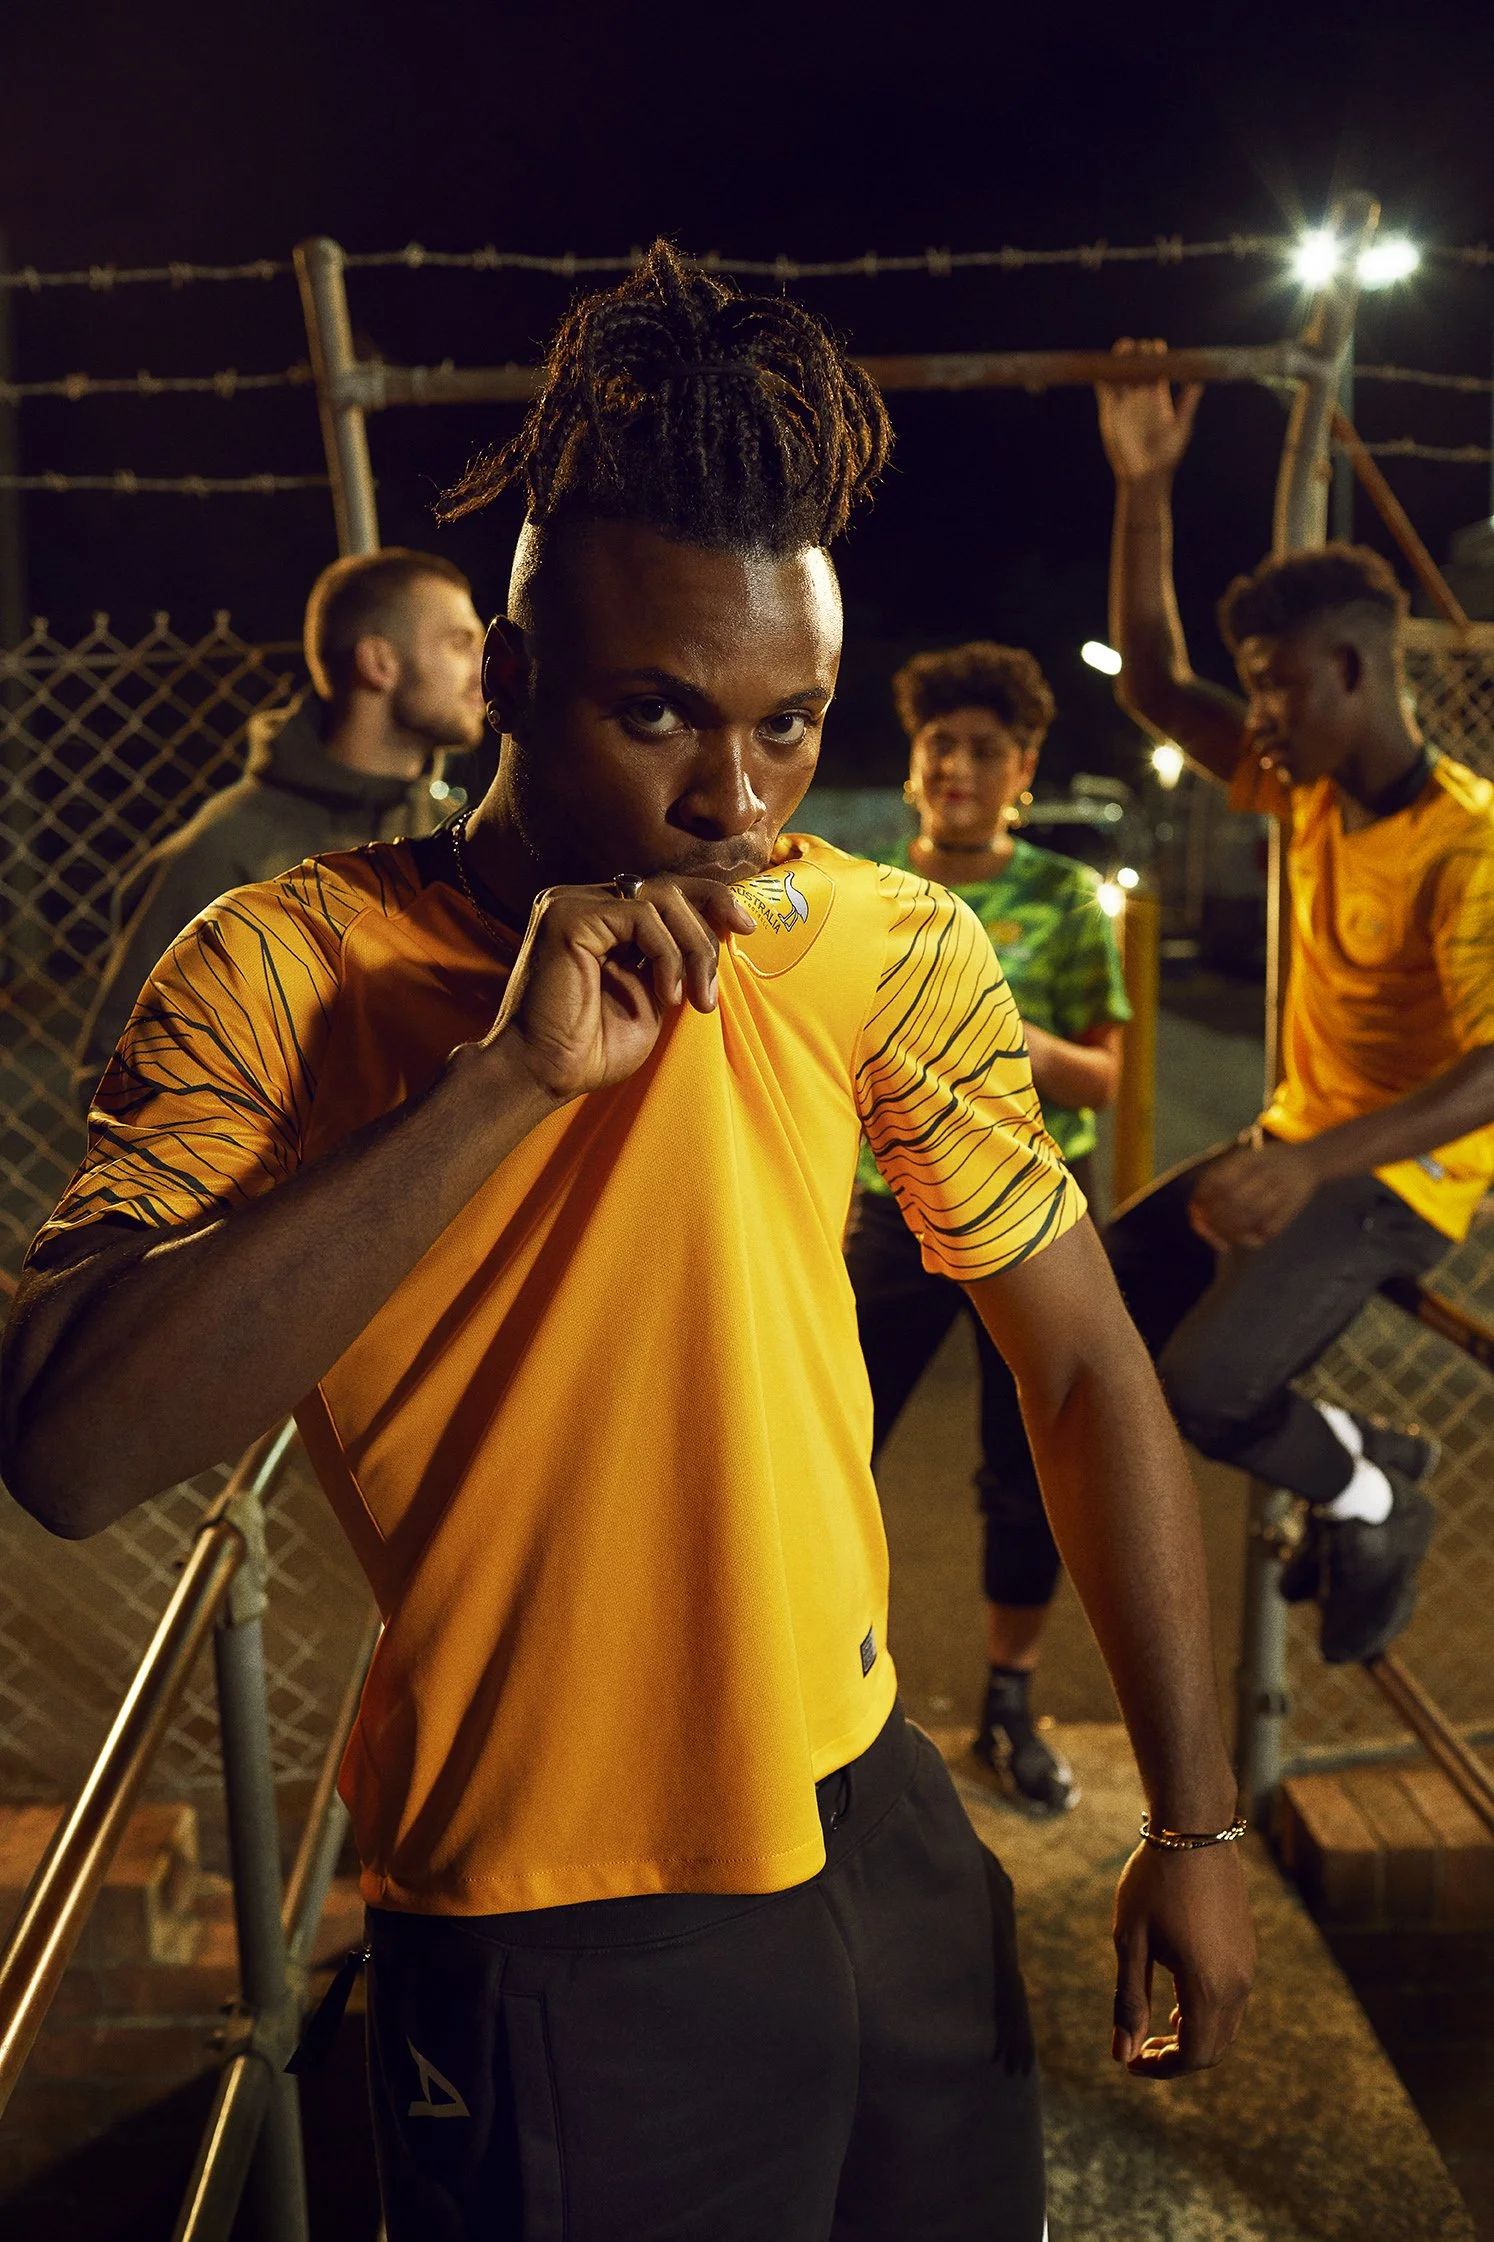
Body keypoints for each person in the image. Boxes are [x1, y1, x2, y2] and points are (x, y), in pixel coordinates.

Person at [2, 253, 1252, 2242]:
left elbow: (1088, 1361)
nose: (732, 800)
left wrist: (1196, 1812)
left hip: (880, 1811)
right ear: (501, 684)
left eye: (790, 726)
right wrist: (504, 1077)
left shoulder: (875, 937)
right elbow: (65, 1441)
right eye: (659, 712)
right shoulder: (290, 960)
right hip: (559, 1906)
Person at [1098, 337, 1494, 1666]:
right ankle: (1359, 1467)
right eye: (1252, 685)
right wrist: (1142, 485)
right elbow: (1153, 683)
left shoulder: (1465, 842)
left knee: (1205, 1389)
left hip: (1398, 1174)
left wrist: (1314, 1160)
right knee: (1094, 1286)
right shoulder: (1306, 785)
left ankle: (1378, 1484)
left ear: (1351, 670)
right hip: (1298, 1136)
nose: (1255, 715)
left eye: (1274, 683)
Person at [845, 641, 1130, 1811]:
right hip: (885, 1207)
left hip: (1030, 1214)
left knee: (1031, 1475)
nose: (958, 765)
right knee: (828, 1442)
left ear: (1023, 772)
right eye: (939, 746)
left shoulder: (1064, 899)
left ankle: (1010, 1702)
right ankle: (829, 1693)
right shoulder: (865, 892)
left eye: (984, 750)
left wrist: (983, 1007)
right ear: (914, 767)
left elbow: (1103, 1079)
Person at [73, 548, 488, 1106]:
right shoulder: (226, 853)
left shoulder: (451, 836)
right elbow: (114, 1079)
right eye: (460, 643)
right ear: (379, 664)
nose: (484, 667)